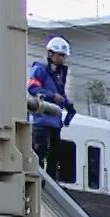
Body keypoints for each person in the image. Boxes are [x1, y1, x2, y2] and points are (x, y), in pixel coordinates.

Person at [27, 36, 75, 180]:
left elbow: (60, 93)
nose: (62, 59)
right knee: (39, 152)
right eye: (60, 55)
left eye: (63, 56)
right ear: (50, 54)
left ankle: (51, 182)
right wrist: (52, 96)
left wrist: (67, 104)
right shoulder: (39, 69)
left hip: (55, 122)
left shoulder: (60, 74)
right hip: (41, 121)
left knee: (54, 156)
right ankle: (38, 180)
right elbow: (33, 87)